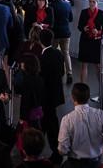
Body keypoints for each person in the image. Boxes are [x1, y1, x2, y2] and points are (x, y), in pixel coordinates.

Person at [57, 83, 103, 168]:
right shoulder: (100, 114)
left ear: (72, 97)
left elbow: (62, 150)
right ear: (88, 97)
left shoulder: (67, 119)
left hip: (75, 164)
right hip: (96, 163)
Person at [39, 29, 65, 164]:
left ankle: (55, 153)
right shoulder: (58, 53)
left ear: (40, 41)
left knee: (50, 125)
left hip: (45, 96)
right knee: (47, 122)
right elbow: (62, 72)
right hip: (55, 94)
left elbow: (40, 78)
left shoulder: (42, 58)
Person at [77, 0, 103, 84]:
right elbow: (79, 26)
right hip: (85, 40)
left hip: (96, 41)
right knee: (84, 64)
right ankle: (82, 86)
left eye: (93, 2)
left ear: (97, 2)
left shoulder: (102, 13)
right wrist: (83, 28)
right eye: (90, 1)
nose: (91, 4)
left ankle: (101, 87)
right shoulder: (84, 12)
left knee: (98, 65)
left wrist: (98, 32)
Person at [14, 53, 45, 132]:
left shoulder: (26, 81)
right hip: (38, 111)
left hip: (28, 114)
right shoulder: (40, 79)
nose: (21, 64)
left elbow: (26, 101)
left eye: (22, 62)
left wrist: (22, 118)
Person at [50, 0, 74, 84]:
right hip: (66, 33)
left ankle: (54, 72)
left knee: (52, 53)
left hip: (55, 33)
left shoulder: (51, 6)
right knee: (66, 53)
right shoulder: (67, 5)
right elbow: (71, 19)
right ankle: (69, 73)